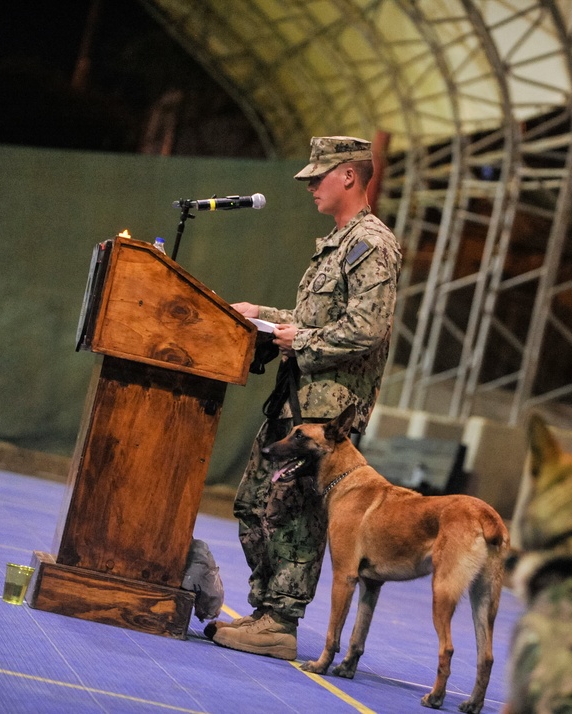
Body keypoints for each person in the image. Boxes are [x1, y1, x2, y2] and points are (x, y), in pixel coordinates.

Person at [208, 135, 402, 660]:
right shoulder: (337, 245)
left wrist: (302, 340)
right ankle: (267, 610)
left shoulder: (372, 246)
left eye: (319, 175)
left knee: (294, 516)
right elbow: (318, 321)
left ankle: (279, 623)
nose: (311, 185)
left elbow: (367, 328)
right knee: (254, 505)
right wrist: (266, 318)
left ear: (349, 176)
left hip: (327, 415)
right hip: (299, 401)